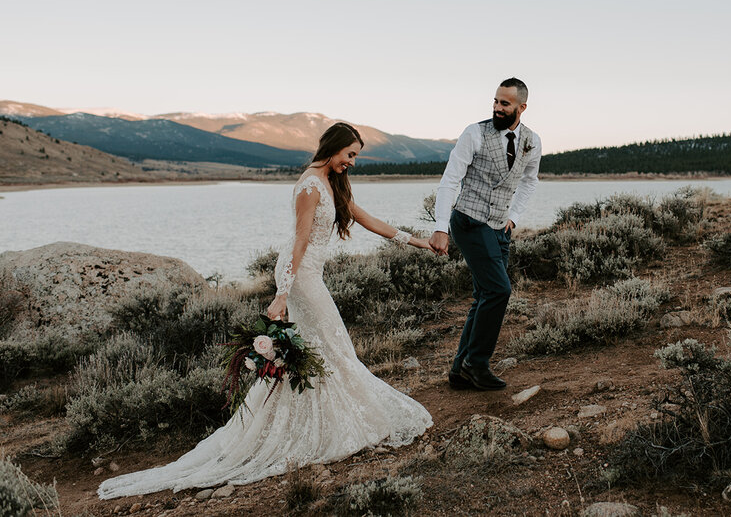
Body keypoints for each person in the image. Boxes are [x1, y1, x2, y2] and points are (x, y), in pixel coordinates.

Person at [99, 122, 433, 499]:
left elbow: (366, 219)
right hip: (300, 274)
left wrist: (416, 242)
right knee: (332, 342)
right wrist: (282, 294)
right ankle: (313, 428)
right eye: (350, 154)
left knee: (321, 348)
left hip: (308, 272)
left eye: (356, 156)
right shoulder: (310, 185)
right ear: (333, 148)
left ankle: (314, 421)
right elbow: (300, 241)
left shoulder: (332, 182)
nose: (353, 162)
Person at [429, 78, 541, 390]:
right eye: (495, 101)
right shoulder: (474, 133)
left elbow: (531, 180)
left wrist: (514, 217)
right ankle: (476, 364)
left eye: (504, 103)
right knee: (498, 291)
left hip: (500, 228)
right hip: (469, 221)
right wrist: (440, 227)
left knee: (484, 295)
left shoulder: (532, 140)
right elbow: (450, 180)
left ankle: (459, 370)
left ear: (522, 107)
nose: (497, 108)